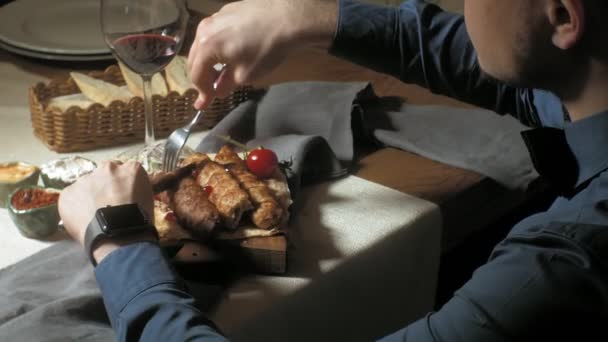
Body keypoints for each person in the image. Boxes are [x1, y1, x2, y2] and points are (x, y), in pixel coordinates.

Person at [58, 0, 608, 340]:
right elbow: (468, 53)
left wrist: (120, 243)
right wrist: (303, 16)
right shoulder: (587, 92)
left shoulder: (563, 266)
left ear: (562, 15)